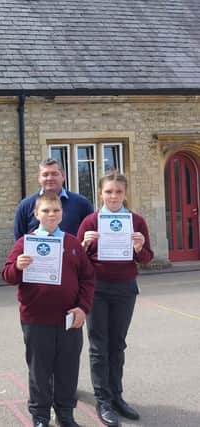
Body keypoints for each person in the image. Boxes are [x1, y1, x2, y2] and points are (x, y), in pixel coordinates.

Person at [2, 192, 95, 427]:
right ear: (36, 214)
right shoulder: (25, 242)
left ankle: (65, 413)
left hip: (69, 319)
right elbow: (7, 276)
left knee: (67, 369)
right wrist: (18, 266)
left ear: (62, 213)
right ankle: (40, 415)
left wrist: (83, 308)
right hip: (36, 319)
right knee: (39, 370)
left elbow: (87, 279)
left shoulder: (73, 243)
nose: (51, 214)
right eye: (45, 210)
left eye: (55, 210)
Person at [77, 171, 153, 427]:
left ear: (125, 193)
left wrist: (140, 248)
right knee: (99, 346)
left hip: (125, 289)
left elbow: (147, 258)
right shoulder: (90, 220)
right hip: (97, 290)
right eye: (108, 191)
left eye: (118, 192)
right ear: (100, 193)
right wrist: (85, 245)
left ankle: (117, 396)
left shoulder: (137, 221)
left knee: (117, 345)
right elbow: (76, 262)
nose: (113, 196)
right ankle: (103, 401)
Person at [14, 158, 94, 240]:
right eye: (45, 175)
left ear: (63, 176)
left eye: (54, 174)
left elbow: (91, 235)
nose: (49, 178)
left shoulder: (82, 204)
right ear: (39, 178)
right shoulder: (25, 205)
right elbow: (20, 240)